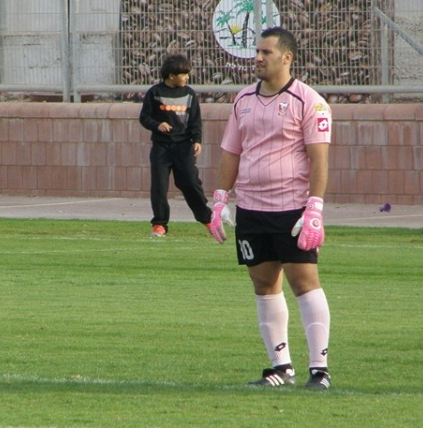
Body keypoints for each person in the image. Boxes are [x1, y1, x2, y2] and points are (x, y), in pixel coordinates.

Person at [208, 27, 332, 389]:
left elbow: (319, 159)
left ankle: (319, 369)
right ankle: (281, 367)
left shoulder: (310, 102)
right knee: (263, 283)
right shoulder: (243, 99)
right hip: (251, 209)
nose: (258, 58)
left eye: (266, 52)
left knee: (304, 282)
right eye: (257, 52)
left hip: (291, 209)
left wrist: (314, 208)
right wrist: (219, 199)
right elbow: (231, 151)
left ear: (286, 58)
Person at [139, 53, 212, 237]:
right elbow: (144, 117)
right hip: (161, 148)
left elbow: (195, 120)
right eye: (184, 74)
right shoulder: (154, 93)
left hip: (183, 147)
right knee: (159, 187)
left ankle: (208, 219)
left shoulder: (189, 93)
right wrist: (157, 125)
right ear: (171, 75)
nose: (187, 77)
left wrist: (197, 140)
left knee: (190, 182)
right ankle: (159, 224)